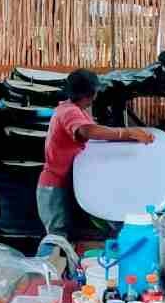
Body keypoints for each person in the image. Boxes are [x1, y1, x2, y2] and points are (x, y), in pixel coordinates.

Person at [37, 69, 154, 239]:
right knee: (58, 238)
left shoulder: (75, 110)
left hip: (66, 183)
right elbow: (86, 131)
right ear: (90, 94)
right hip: (55, 187)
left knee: (69, 237)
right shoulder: (69, 111)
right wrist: (126, 133)